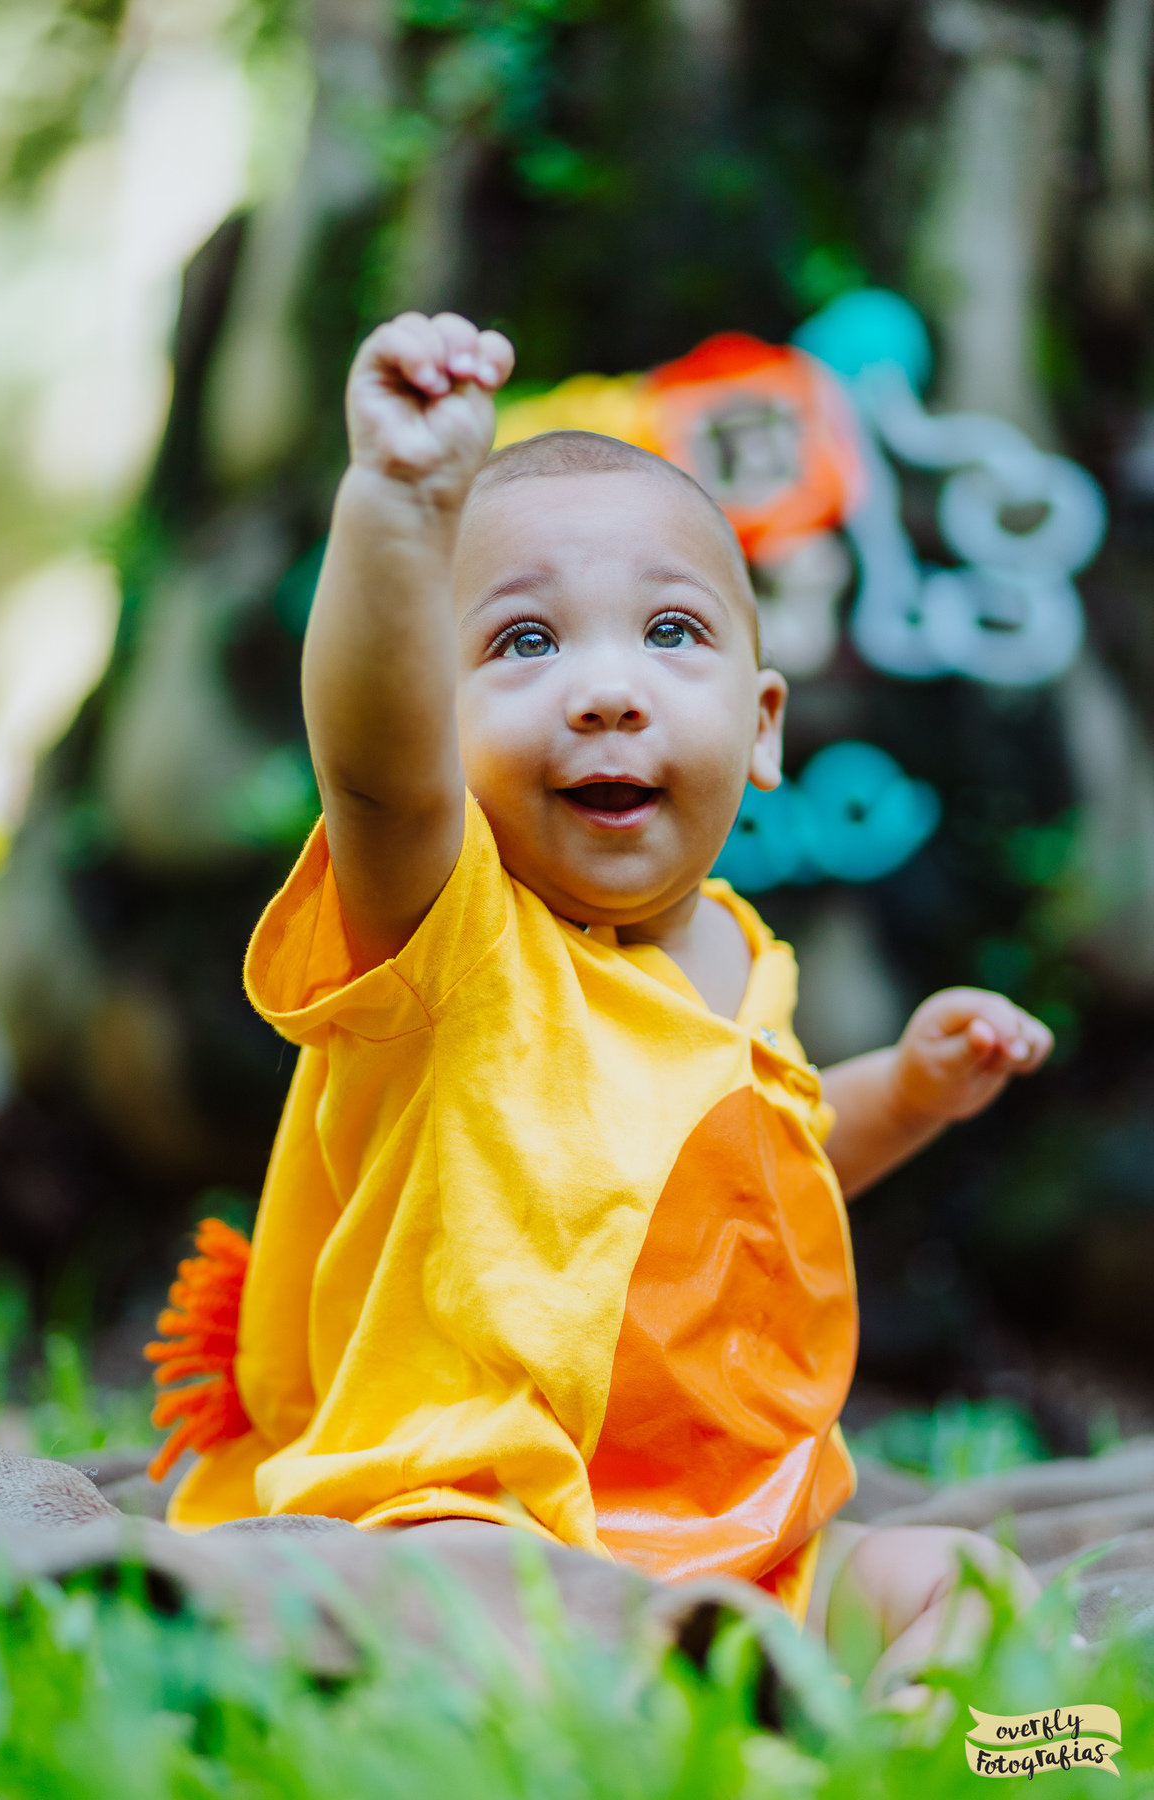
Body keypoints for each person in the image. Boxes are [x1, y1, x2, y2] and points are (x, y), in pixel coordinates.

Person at [148, 311, 1048, 1698]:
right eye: (523, 642)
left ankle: (946, 1763)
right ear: (438, 720)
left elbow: (773, 1167)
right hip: (477, 1514)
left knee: (967, 1588)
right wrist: (395, 505)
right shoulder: (451, 928)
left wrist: (915, 1091)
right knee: (450, 1624)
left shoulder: (741, 956)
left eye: (671, 631)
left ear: (761, 725)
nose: (608, 692)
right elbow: (373, 768)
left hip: (737, 1530)